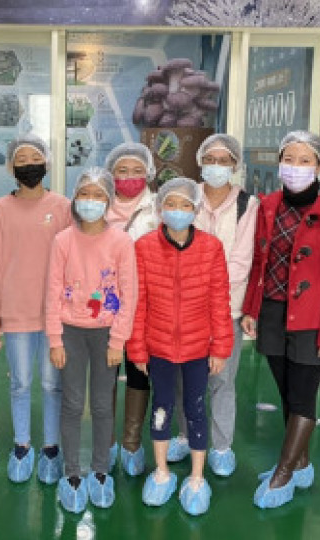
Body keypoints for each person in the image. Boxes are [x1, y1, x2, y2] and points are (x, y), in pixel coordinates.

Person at [241, 130, 320, 509]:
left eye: (305, 160)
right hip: (272, 312)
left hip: (313, 318)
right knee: (286, 391)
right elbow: (260, 262)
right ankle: (301, 464)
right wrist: (252, 309)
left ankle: (284, 473)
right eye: (289, 159)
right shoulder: (268, 205)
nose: (295, 167)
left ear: (319, 165)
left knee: (303, 396)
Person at [128, 177, 233, 515]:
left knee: (196, 408)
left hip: (198, 348)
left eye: (185, 205)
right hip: (158, 347)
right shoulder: (144, 247)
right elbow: (138, 303)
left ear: (195, 209)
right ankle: (161, 472)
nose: (177, 210)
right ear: (160, 208)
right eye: (170, 204)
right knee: (161, 407)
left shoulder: (211, 248)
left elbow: (220, 302)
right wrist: (137, 349)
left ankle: (197, 477)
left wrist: (220, 348)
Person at [165, 134, 259, 478]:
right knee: (183, 380)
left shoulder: (247, 204)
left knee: (221, 379)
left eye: (224, 160)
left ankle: (221, 446)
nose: (216, 166)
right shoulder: (186, 197)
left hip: (226, 309)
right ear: (200, 162)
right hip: (184, 309)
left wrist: (207, 287)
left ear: (235, 165)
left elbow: (242, 259)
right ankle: (184, 435)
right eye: (210, 159)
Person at [45, 167, 137, 513]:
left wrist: (118, 340)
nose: (90, 201)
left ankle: (100, 471)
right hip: (70, 332)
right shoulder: (62, 241)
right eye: (84, 194)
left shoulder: (121, 242)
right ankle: (71, 473)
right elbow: (53, 292)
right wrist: (55, 339)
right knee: (71, 403)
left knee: (101, 404)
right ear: (74, 199)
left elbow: (129, 294)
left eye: (98, 195)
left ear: (109, 201)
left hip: (106, 334)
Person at [0, 133, 73, 484]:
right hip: (15, 313)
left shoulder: (63, 207)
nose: (29, 165)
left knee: (52, 384)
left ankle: (51, 447)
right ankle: (22, 446)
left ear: (47, 163)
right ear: (10, 167)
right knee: (20, 383)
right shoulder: (0, 210)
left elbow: (74, 262)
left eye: (35, 158)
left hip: (54, 315)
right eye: (21, 159)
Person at [103, 142, 159, 477]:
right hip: (106, 304)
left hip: (146, 305)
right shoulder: (99, 205)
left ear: (148, 172)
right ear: (110, 173)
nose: (129, 176)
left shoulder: (159, 208)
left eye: (137, 170)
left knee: (139, 369)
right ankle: (107, 442)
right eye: (122, 170)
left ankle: (131, 443)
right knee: (106, 371)